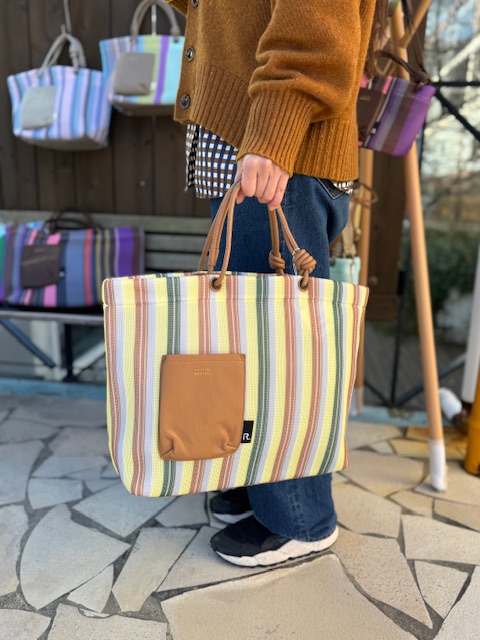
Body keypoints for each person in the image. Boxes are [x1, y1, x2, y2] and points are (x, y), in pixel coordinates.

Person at [165, 0, 387, 567]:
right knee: (249, 344)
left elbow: (315, 31)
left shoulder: (276, 142)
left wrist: (272, 135)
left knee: (282, 353)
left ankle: (299, 518)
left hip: (282, 154)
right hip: (258, 148)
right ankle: (260, 481)